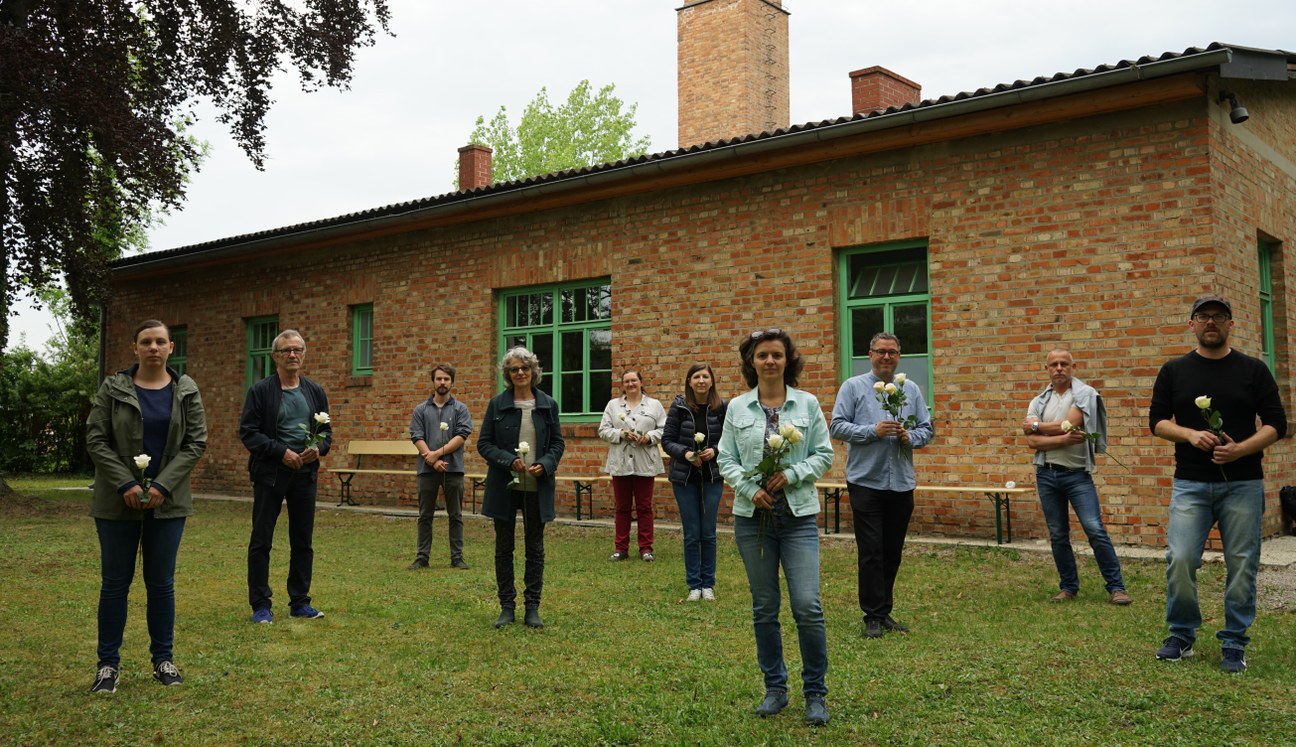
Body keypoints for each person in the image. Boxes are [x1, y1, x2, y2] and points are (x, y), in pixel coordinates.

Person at [1149, 295, 1286, 673]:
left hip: (1243, 484)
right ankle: (1181, 635)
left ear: (1230, 324)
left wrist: (1241, 449)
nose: (1211, 322)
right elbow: (1157, 421)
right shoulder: (1174, 370)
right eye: (1203, 316)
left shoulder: (1253, 370)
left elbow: (1277, 424)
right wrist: (1190, 434)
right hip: (1190, 483)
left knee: (1242, 563)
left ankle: (1234, 642)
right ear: (1191, 323)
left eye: (1219, 316)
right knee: (1180, 558)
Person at [718, 328, 834, 726]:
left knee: (807, 605)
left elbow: (824, 454)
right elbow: (726, 458)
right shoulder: (737, 407)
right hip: (754, 522)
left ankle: (815, 693)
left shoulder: (807, 403)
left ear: (788, 361)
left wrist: (794, 474)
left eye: (777, 355)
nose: (770, 361)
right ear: (751, 362)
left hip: (798, 517)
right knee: (765, 607)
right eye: (762, 355)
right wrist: (750, 490)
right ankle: (775, 688)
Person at [85, 320, 207, 693]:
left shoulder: (186, 390)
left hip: (167, 503)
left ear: (171, 347)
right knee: (114, 584)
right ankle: (107, 666)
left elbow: (196, 442)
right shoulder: (112, 388)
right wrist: (125, 482)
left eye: (160, 341)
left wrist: (163, 486)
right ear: (134, 348)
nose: (153, 347)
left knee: (161, 583)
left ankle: (163, 661)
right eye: (146, 342)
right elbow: (96, 438)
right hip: (116, 501)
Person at [829, 332, 933, 639]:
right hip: (866, 481)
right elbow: (837, 426)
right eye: (880, 351)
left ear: (899, 356)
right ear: (870, 354)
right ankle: (872, 615)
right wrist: (871, 431)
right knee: (871, 551)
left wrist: (909, 437)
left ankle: (885, 611)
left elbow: (926, 429)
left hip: (901, 483)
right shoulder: (853, 387)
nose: (886, 357)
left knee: (892, 551)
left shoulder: (910, 389)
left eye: (892, 352)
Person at [1022, 349, 1131, 605]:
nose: (1059, 368)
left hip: (1077, 476)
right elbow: (1032, 442)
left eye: (1064, 363)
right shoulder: (1039, 401)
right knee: (1058, 534)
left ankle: (1117, 588)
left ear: (1073, 366)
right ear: (1047, 369)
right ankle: (1068, 587)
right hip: (1046, 474)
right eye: (1054, 364)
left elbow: (1067, 425)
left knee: (1094, 529)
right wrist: (1060, 438)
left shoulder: (1085, 394)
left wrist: (1037, 427)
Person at [240, 329, 332, 624]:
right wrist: (281, 453)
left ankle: (300, 601)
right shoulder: (260, 391)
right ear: (275, 356)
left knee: (302, 540)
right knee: (261, 540)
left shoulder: (315, 392)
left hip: (304, 475)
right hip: (270, 474)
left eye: (297, 350)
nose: (292, 355)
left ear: (304, 355)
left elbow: (326, 433)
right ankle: (260, 604)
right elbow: (248, 433)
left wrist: (317, 449)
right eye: (286, 350)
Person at [477, 347, 565, 630]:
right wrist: (508, 460)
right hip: (505, 486)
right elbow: (484, 444)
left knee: (535, 549)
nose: (520, 373)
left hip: (537, 487)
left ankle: (532, 607)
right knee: (504, 548)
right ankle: (506, 606)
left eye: (525, 368)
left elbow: (557, 444)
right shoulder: (497, 404)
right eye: (514, 369)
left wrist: (545, 464)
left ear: (533, 371)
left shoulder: (548, 405)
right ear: (508, 374)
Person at [662, 363, 727, 600]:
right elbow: (667, 440)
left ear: (712, 380)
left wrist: (715, 450)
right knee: (691, 532)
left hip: (712, 476)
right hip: (684, 478)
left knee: (708, 531)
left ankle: (708, 584)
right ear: (689, 381)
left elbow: (731, 439)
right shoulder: (679, 407)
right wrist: (686, 453)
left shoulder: (721, 407)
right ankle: (694, 585)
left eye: (705, 376)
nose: (701, 381)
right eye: (696, 376)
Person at [408, 363, 473, 570]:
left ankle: (457, 558)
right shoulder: (421, 410)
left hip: (453, 469)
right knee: (425, 515)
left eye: (446, 379)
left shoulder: (460, 409)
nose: (442, 382)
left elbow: (461, 435)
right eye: (439, 378)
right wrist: (432, 459)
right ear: (433, 381)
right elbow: (416, 436)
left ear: (452, 382)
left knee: (456, 515)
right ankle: (422, 557)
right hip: (427, 470)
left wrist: (436, 454)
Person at [597, 369, 666, 562]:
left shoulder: (654, 405)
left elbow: (664, 429)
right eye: (626, 381)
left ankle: (646, 548)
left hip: (645, 461)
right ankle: (621, 548)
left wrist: (649, 437)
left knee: (644, 506)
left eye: (634, 380)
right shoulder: (613, 405)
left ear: (640, 382)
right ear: (622, 385)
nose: (630, 384)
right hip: (620, 462)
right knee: (622, 507)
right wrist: (621, 434)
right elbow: (603, 430)